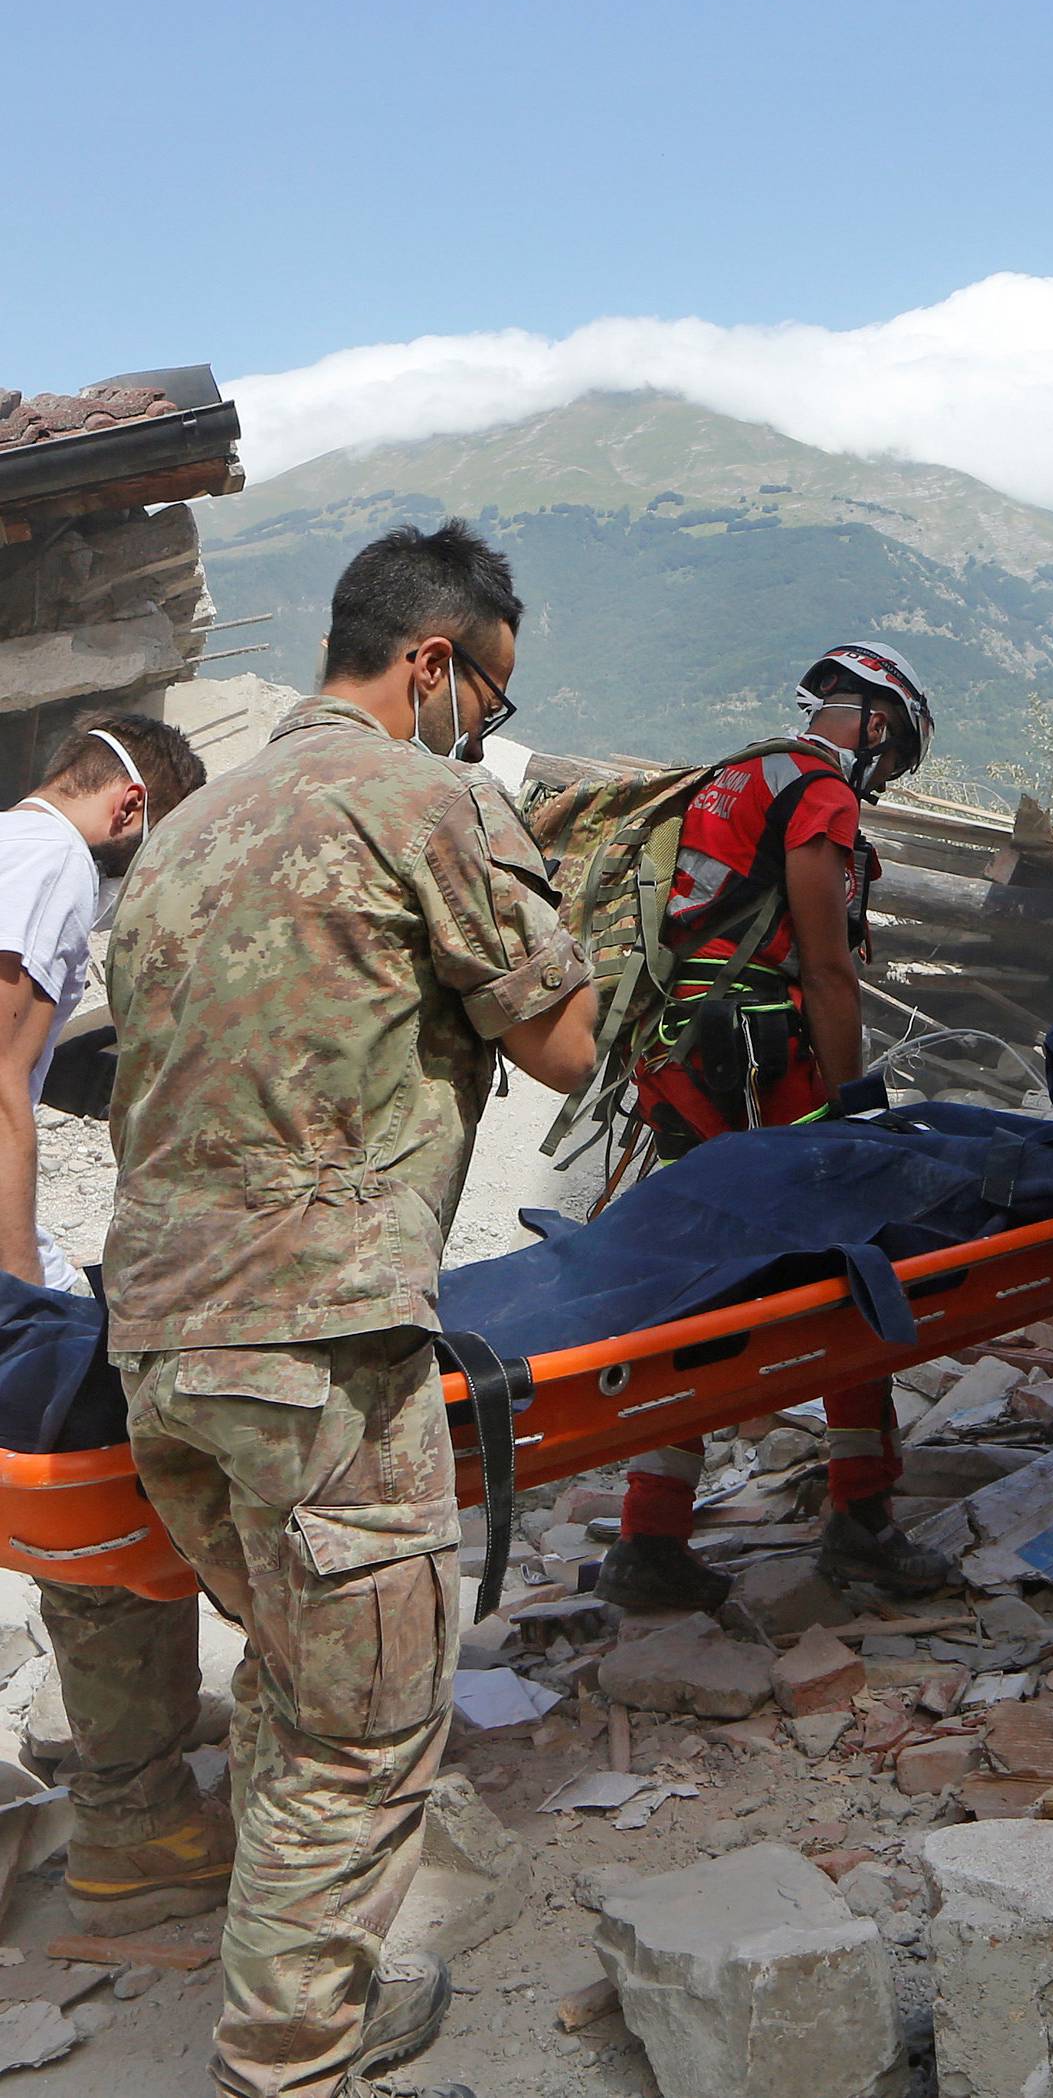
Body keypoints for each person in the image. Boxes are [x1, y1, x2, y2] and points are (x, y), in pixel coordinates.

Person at [103, 521, 597, 2098]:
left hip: (162, 1342)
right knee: (366, 1727)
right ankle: (292, 2064)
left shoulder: (186, 827)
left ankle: (305, 1992)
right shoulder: (417, 794)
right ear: (434, 662)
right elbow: (571, 1045)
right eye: (488, 701)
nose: (484, 733)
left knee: (295, 1682)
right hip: (318, 1346)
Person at [597, 643, 956, 1613]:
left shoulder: (734, 775)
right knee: (854, 1268)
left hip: (678, 1055)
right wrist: (853, 1110)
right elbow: (829, 972)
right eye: (895, 754)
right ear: (876, 723)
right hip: (758, 1059)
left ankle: (650, 1526)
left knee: (701, 1286)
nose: (884, 777)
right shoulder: (818, 792)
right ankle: (864, 1519)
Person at [0, 712, 232, 1933]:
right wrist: (21, 1290)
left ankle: (129, 1762)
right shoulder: (50, 867)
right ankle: (136, 1814)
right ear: (132, 812)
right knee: (94, 1464)